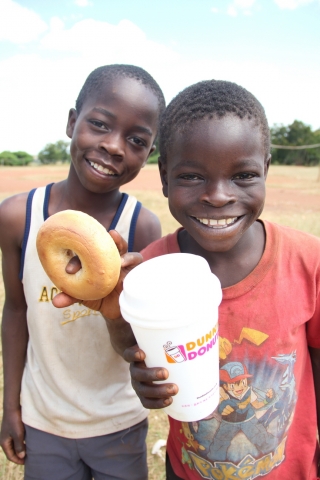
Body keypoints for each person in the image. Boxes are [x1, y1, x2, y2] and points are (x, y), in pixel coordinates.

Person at [117, 80, 320, 479]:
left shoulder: (306, 260)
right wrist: (143, 377)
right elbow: (134, 348)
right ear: (164, 175)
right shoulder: (153, 269)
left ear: (266, 169)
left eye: (243, 175)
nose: (218, 196)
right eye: (192, 177)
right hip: (189, 468)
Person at [0, 64, 166, 480]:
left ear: (148, 155)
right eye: (99, 124)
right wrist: (10, 406)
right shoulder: (19, 216)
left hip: (119, 423)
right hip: (44, 421)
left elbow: (141, 338)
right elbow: (17, 311)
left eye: (136, 140)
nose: (113, 147)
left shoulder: (140, 227)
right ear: (72, 122)